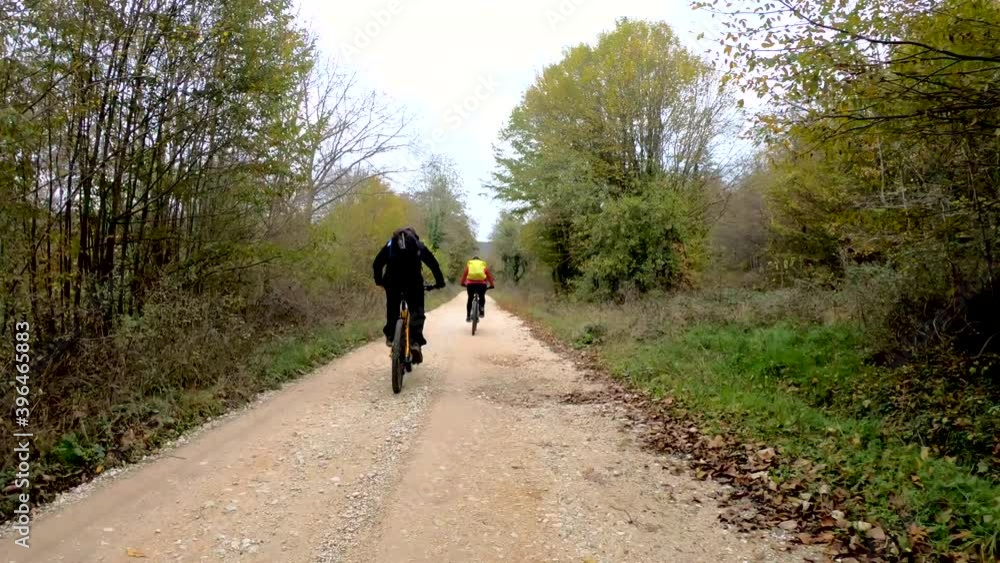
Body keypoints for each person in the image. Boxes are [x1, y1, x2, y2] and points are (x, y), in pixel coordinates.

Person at [372, 227, 446, 363]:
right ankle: (415, 342)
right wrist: (439, 282)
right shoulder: (418, 245)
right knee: (417, 310)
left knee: (392, 309)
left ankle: (391, 336)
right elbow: (433, 264)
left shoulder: (390, 244)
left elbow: (377, 263)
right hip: (413, 283)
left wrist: (379, 281)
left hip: (392, 282)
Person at [460, 256, 495, 322]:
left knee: (470, 298)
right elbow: (489, 276)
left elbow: (464, 275)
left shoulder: (469, 265)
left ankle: (468, 316)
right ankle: (481, 310)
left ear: (473, 261)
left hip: (471, 285)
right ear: (479, 261)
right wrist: (492, 285)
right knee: (482, 296)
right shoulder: (483, 265)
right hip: (481, 285)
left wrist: (462, 283)